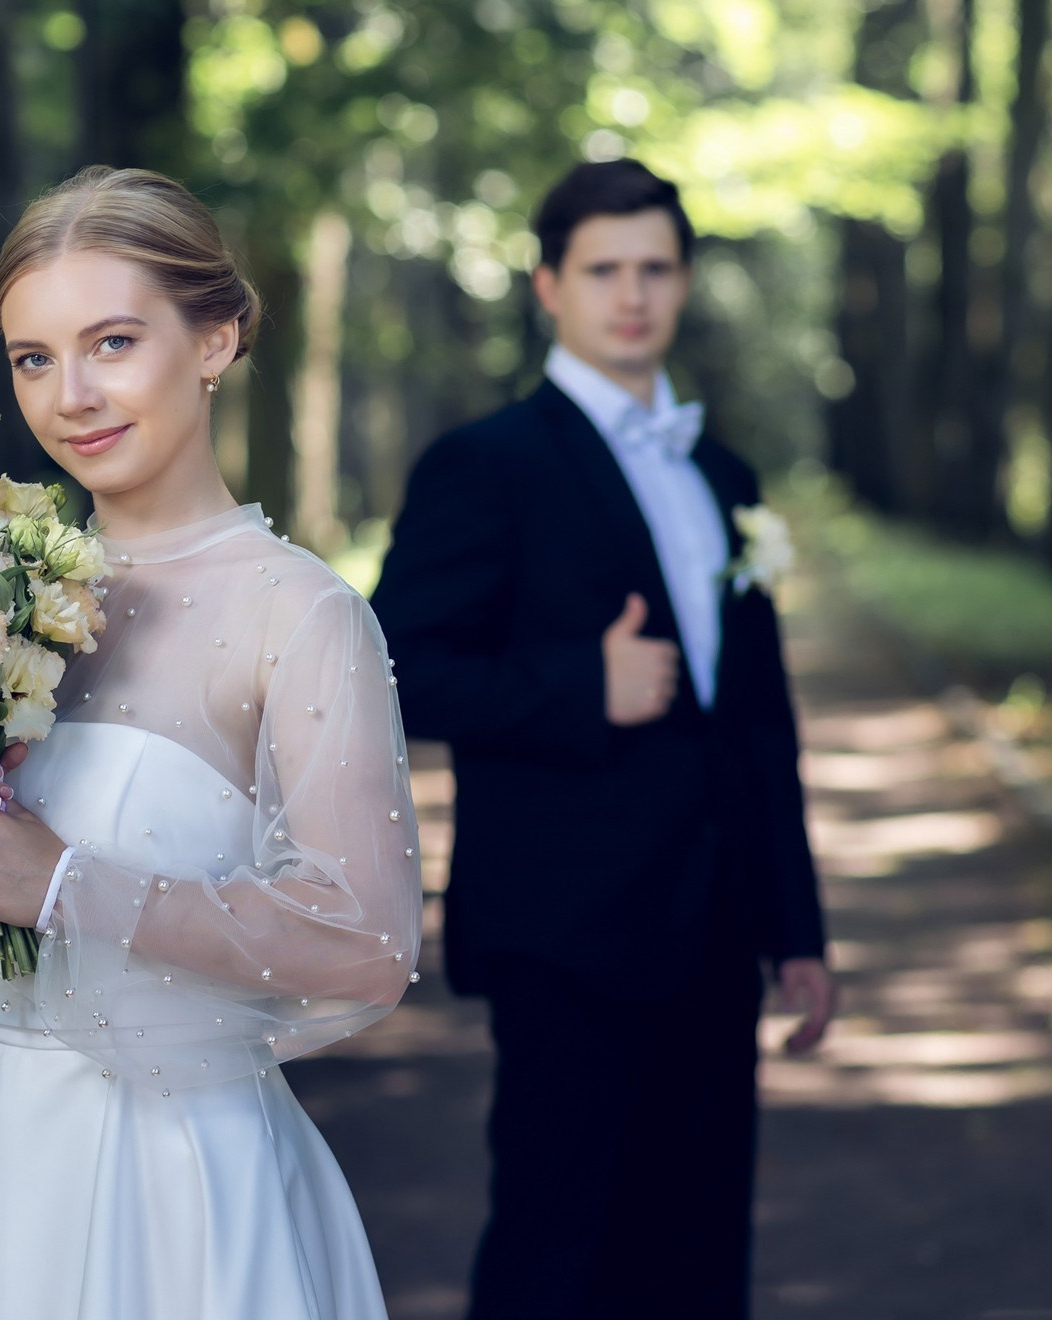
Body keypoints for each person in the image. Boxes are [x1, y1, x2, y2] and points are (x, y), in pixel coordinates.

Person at [0, 165, 424, 1320]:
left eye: (112, 342)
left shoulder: (301, 614)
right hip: (8, 1181)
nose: (71, 395)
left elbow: (370, 947)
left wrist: (70, 884)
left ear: (214, 340)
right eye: (34, 358)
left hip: (190, 1193)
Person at [369, 159, 835, 1318]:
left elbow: (761, 727)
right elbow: (390, 672)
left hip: (716, 928)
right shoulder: (487, 465)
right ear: (549, 287)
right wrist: (584, 683)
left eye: (657, 269)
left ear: (683, 284)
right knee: (555, 1252)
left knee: (695, 1258)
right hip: (567, 935)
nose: (634, 295)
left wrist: (797, 929)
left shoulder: (725, 476)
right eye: (605, 270)